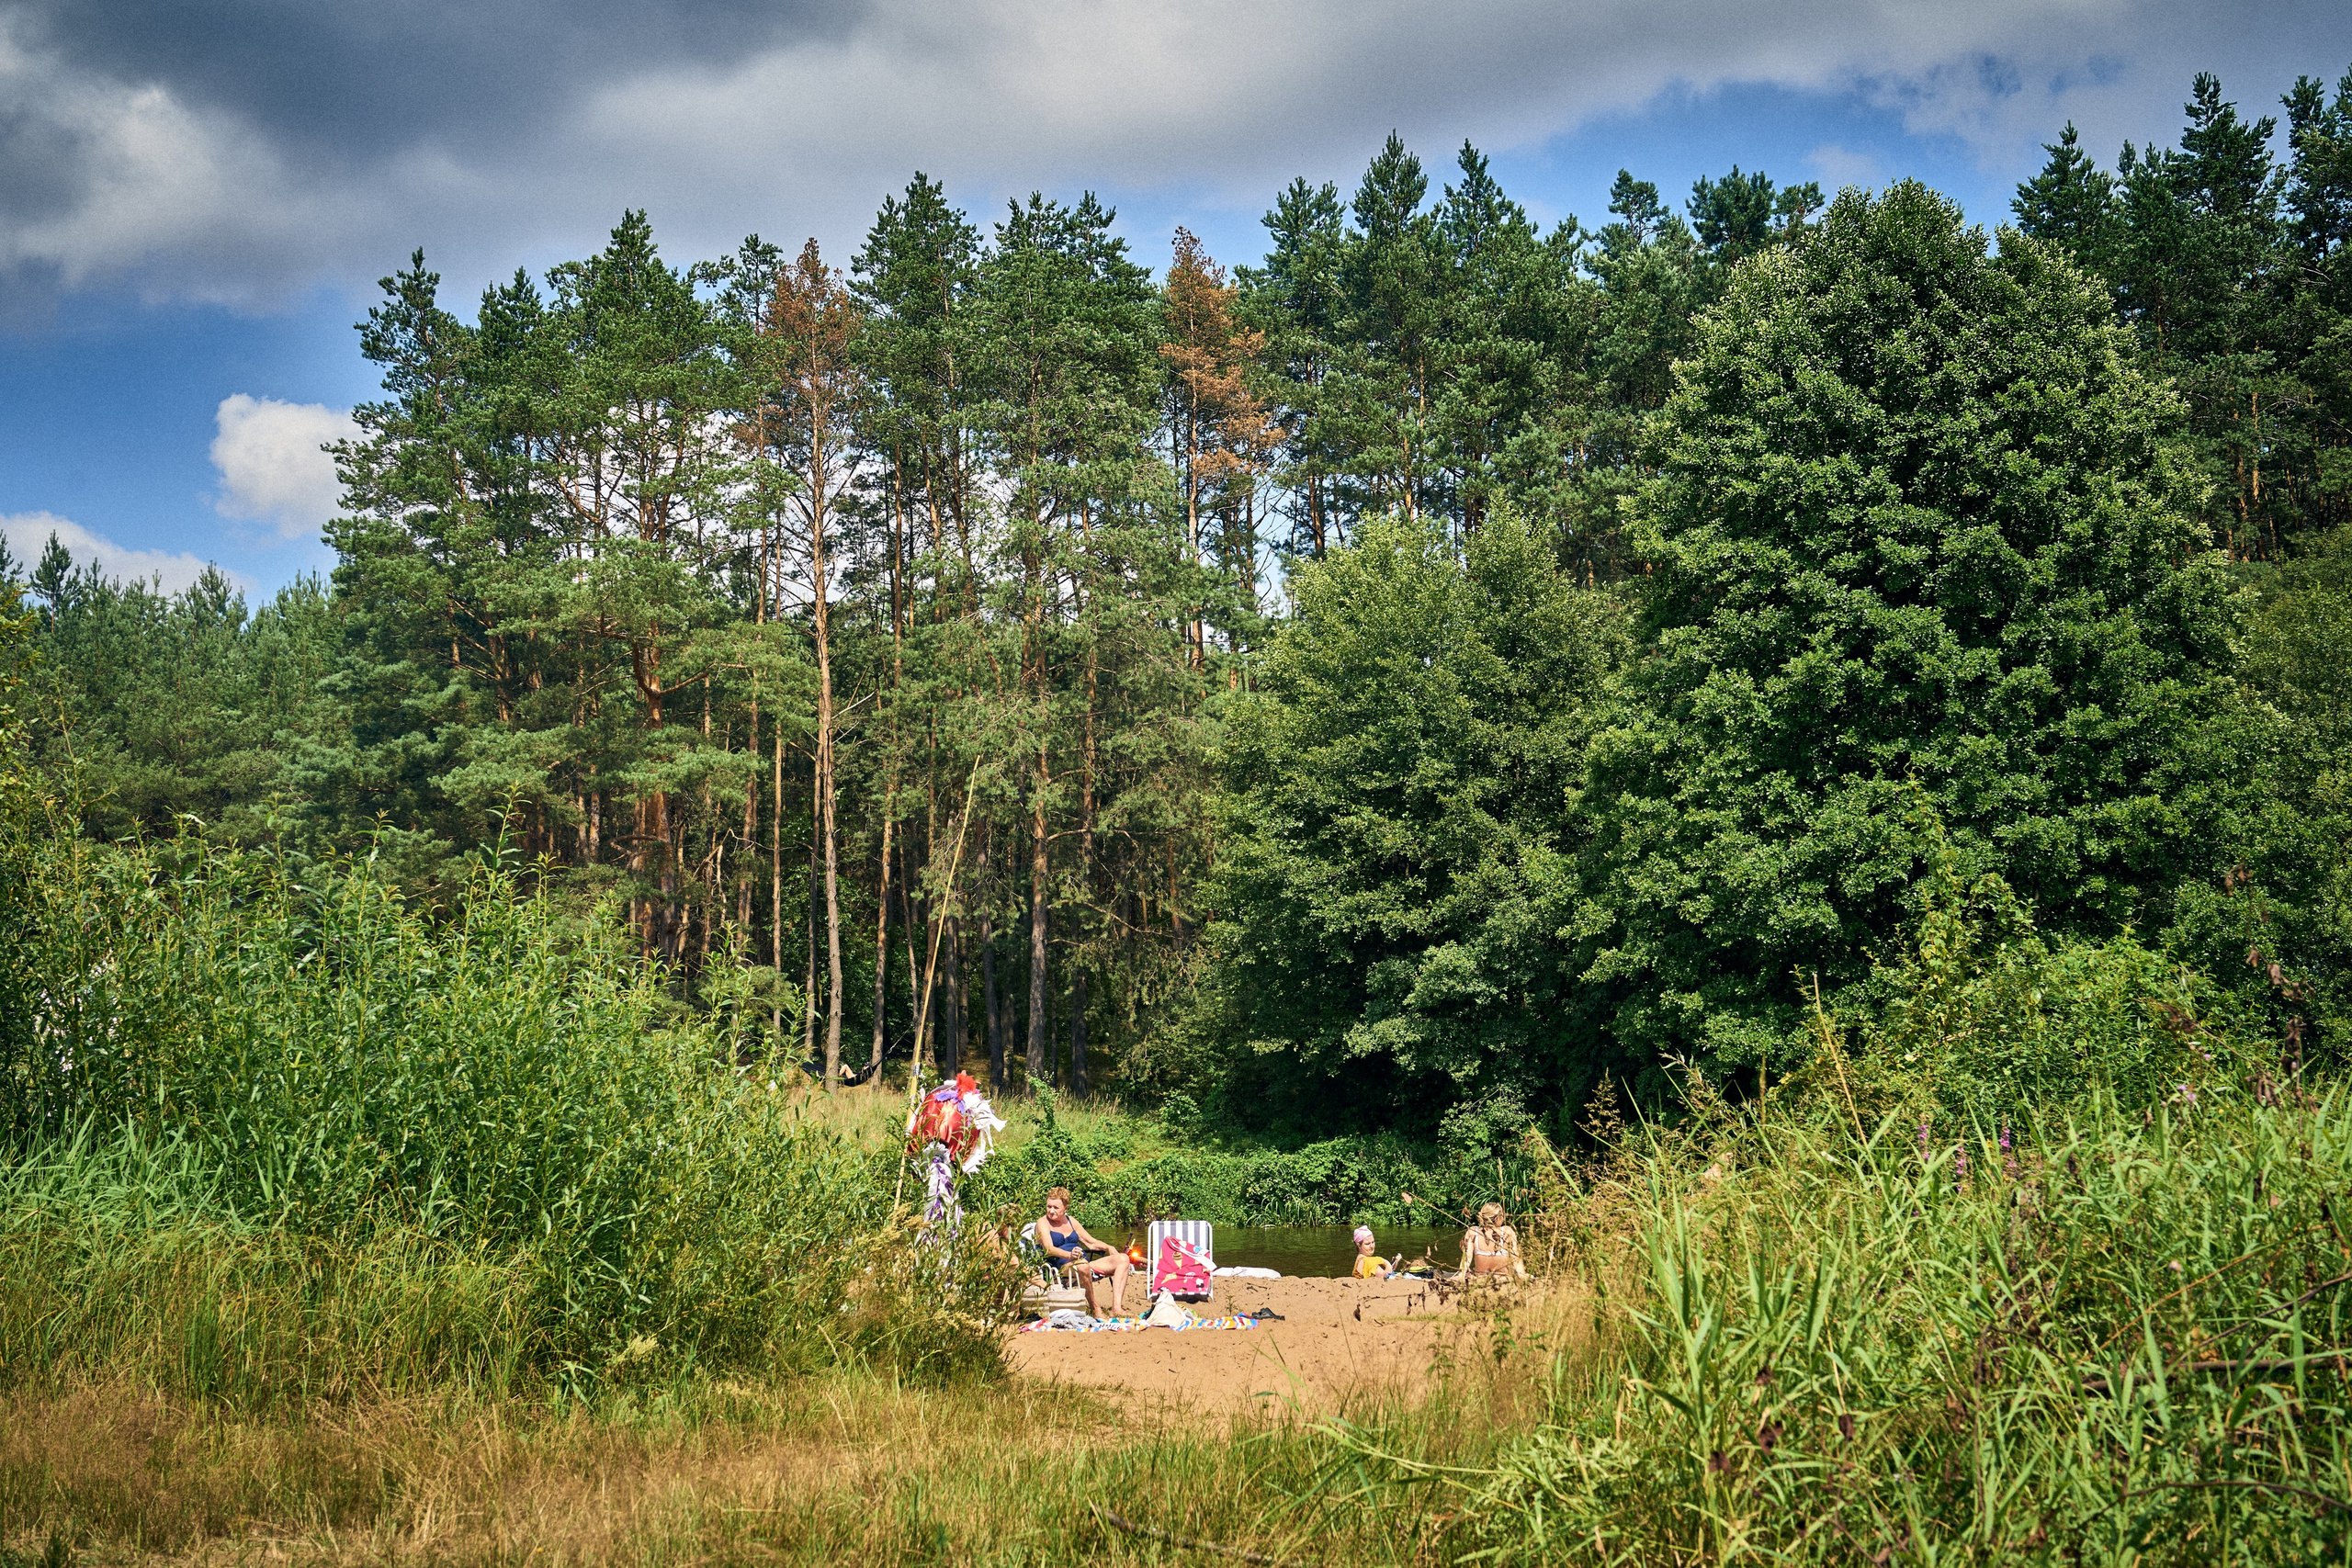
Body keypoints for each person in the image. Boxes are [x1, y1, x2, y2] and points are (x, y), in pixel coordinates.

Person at [1035, 1187, 1130, 1316]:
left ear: (1066, 1208)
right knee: (1083, 1265)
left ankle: (1117, 1309)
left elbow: (1091, 1242)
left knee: (1123, 1259)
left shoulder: (1071, 1221)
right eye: (1048, 1206)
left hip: (1082, 1264)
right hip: (1060, 1269)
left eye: (1056, 1207)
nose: (1051, 1211)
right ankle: (1095, 1308)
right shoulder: (1043, 1222)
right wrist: (1069, 1255)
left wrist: (1109, 1247)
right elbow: (1049, 1249)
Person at [1460, 1202, 1527, 1282]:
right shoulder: (1507, 1231)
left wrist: (1461, 1277)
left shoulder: (1473, 1232)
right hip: (1503, 1279)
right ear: (1498, 1217)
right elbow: (1515, 1259)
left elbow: (1466, 1260)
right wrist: (1522, 1276)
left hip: (1481, 1279)